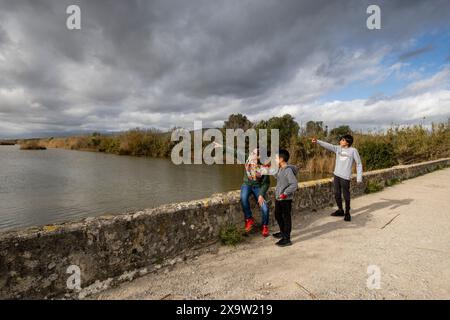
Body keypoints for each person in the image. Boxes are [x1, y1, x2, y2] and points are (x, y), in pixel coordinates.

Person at [214, 142, 271, 237]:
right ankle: (249, 219)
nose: (251, 155)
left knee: (265, 207)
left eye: (254, 154)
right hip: (246, 185)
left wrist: (261, 194)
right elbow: (234, 152)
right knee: (243, 198)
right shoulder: (246, 158)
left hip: (258, 187)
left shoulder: (264, 166)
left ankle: (265, 226)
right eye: (252, 152)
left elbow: (266, 183)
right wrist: (221, 146)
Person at [312, 134, 363, 221]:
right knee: (336, 193)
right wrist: (318, 141)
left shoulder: (353, 151)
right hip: (337, 175)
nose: (340, 141)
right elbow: (328, 145)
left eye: (342, 140)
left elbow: (359, 164)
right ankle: (340, 210)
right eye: (341, 140)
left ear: (347, 142)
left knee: (346, 195)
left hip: (345, 177)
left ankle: (347, 213)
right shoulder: (338, 148)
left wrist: (359, 177)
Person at [273, 149, 298, 247]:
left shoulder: (288, 170)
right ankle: (283, 232)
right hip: (279, 197)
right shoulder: (280, 168)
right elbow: (278, 177)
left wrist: (285, 194)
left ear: (281, 159)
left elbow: (294, 184)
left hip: (285, 199)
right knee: (277, 215)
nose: (274, 159)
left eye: (276, 158)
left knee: (286, 217)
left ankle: (287, 239)